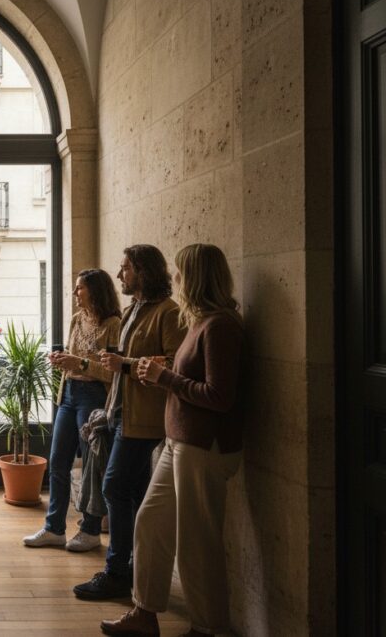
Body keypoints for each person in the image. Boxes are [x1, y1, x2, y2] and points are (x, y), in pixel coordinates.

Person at [101, 244, 245, 637]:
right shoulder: (199, 321)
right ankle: (144, 613)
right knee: (150, 521)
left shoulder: (220, 325)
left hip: (203, 445)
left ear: (196, 277)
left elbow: (219, 396)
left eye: (180, 273)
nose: (175, 279)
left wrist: (164, 378)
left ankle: (209, 627)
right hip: (178, 441)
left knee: (197, 541)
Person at [73, 244, 186, 600]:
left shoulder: (168, 312)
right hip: (122, 412)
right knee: (135, 493)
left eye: (126, 269)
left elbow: (172, 365)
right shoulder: (134, 309)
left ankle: (117, 570)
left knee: (113, 488)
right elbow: (128, 361)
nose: (120, 274)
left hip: (145, 419)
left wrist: (123, 364)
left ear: (144, 271)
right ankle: (138, 567)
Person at [23, 268, 121, 552]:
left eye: (80, 288)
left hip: (93, 397)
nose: (75, 292)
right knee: (57, 462)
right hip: (68, 394)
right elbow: (73, 356)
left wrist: (78, 364)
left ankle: (90, 531)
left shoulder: (114, 323)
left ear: (95, 290)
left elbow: (113, 372)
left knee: (91, 466)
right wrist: (61, 359)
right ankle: (54, 528)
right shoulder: (77, 319)